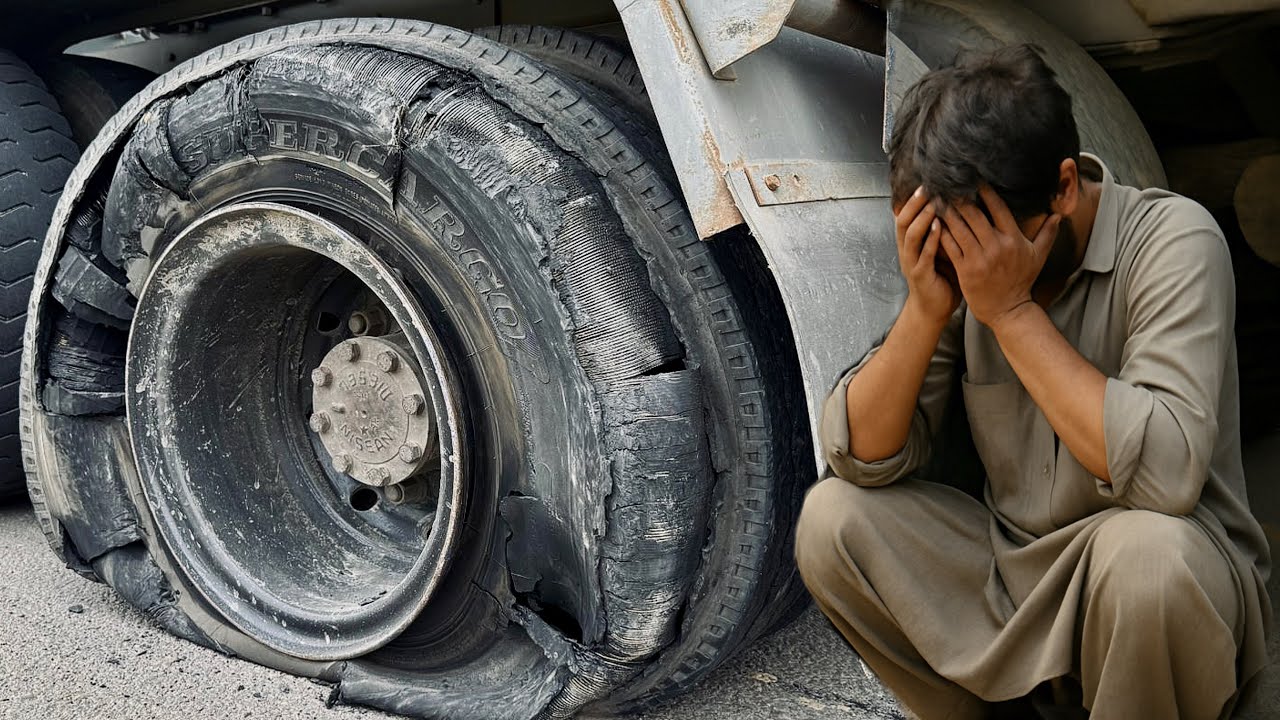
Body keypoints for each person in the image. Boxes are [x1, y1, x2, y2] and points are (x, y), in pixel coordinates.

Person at [794, 44, 1271, 720]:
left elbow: (1167, 480)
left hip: (1162, 599)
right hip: (1015, 583)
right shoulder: (962, 267)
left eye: (984, 244)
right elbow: (862, 457)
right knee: (831, 521)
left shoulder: (1172, 239)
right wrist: (930, 307)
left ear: (1064, 188)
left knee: (1147, 560)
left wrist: (1012, 313)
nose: (968, 265)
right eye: (949, 244)